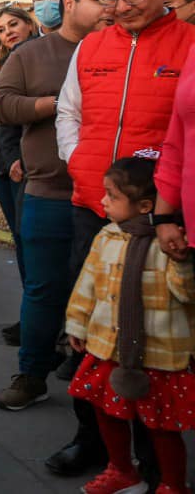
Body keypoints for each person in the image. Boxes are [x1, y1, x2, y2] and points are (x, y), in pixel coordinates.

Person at [55, 0, 195, 479]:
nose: (122, 5)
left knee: (154, 344)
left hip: (158, 219)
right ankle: (96, 445)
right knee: (92, 338)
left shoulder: (186, 46)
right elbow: (69, 112)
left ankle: (161, 465)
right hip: (93, 210)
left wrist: (166, 208)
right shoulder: (91, 47)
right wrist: (79, 161)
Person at [0, 0, 110, 414]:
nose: (110, 7)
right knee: (42, 290)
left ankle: (95, 386)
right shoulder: (32, 54)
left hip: (110, 200)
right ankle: (32, 374)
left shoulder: (121, 51)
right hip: (49, 192)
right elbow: (0, 105)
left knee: (103, 296)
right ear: (71, 5)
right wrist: (53, 104)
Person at [64, 156, 195, 494]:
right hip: (107, 346)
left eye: (112, 195)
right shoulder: (106, 236)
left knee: (162, 426)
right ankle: (122, 470)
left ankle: (173, 484)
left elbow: (186, 295)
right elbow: (87, 284)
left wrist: (181, 261)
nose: (103, 200)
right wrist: (76, 323)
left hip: (159, 354)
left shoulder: (169, 243)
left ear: (145, 205)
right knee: (106, 411)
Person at [0, 4, 39, 301]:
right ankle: (30, 311)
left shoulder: (35, 55)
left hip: (20, 163)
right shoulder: (4, 63)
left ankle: (35, 313)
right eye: (1, 30)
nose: (8, 33)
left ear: (29, 24)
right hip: (4, 164)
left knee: (29, 241)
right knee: (21, 241)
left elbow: (21, 114)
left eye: (13, 25)